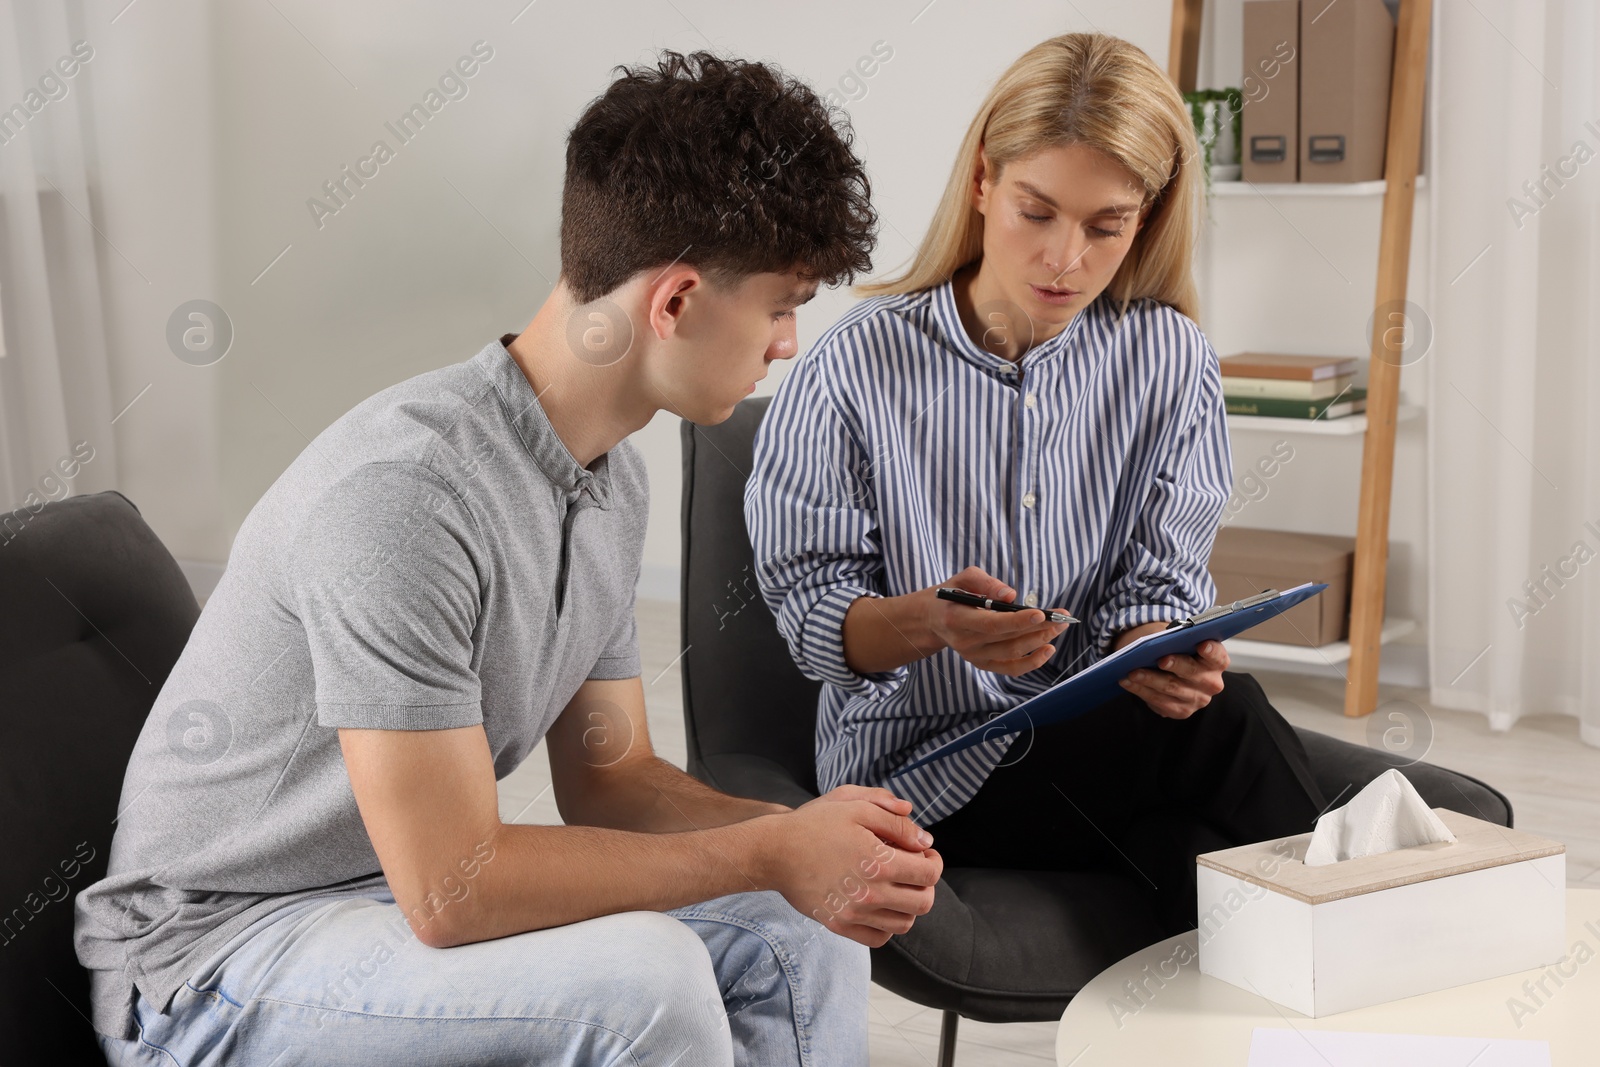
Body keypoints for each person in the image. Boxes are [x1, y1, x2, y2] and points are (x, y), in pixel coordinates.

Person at [75, 51, 942, 1067]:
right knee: (646, 983)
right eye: (781, 304)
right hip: (215, 964)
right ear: (675, 302)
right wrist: (766, 845)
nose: (789, 342)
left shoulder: (608, 479)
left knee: (804, 925)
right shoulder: (406, 498)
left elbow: (611, 783)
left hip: (382, 901)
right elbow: (455, 888)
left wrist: (809, 836)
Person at [745, 32, 1327, 935]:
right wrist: (933, 621)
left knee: (1198, 863)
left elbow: (1155, 582)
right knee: (1235, 727)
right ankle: (1404, 940)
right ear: (983, 180)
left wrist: (1163, 651)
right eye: (1036, 210)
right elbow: (815, 623)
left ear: (1148, 216)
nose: (1065, 258)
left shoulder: (1167, 359)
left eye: (1106, 225)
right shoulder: (856, 366)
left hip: (1107, 749)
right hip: (925, 772)